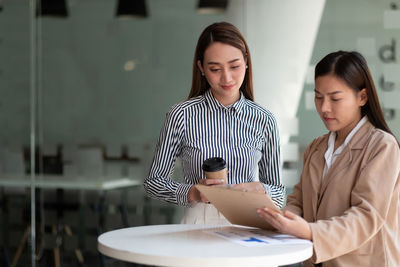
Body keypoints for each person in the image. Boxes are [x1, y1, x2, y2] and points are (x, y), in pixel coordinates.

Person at [257, 51, 400, 266]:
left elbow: (366, 216)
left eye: (335, 98)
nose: (324, 108)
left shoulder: (382, 146)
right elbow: (298, 201)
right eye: (318, 97)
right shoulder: (316, 148)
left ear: (362, 97)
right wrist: (279, 219)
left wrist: (309, 231)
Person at [144, 22, 284, 225]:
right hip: (198, 222)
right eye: (215, 69)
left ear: (246, 62)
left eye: (234, 66)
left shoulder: (264, 119)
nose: (226, 77)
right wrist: (193, 192)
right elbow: (153, 183)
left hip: (249, 224)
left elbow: (279, 194)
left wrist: (261, 190)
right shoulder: (181, 115)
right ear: (201, 68)